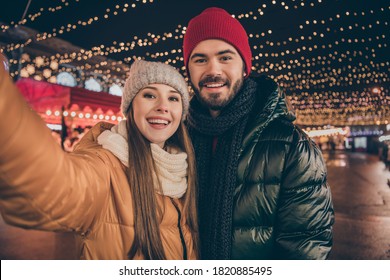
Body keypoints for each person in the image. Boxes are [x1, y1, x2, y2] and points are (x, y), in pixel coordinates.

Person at [0, 59, 198, 260]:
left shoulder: (182, 169)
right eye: (149, 95)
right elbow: (53, 189)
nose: (163, 106)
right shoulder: (105, 164)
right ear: (130, 107)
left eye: (173, 98)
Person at [183, 7, 334, 260]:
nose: (213, 70)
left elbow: (305, 252)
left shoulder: (291, 147)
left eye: (225, 57)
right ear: (189, 70)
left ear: (245, 67)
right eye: (200, 59)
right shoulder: (175, 138)